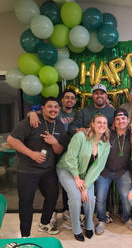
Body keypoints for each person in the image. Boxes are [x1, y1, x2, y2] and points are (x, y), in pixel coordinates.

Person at [7, 97, 66, 237]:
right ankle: (25, 235)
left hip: (48, 170)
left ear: (59, 109)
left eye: (56, 107)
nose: (53, 109)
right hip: (27, 170)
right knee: (26, 203)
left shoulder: (59, 125)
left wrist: (54, 142)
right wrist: (31, 154)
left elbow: (59, 150)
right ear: (43, 108)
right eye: (50, 106)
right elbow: (11, 140)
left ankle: (44, 223)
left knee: (52, 196)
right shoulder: (31, 121)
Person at [56, 114, 110, 242]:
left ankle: (89, 224)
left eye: (104, 123)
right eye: (99, 122)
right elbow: (70, 158)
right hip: (67, 169)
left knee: (90, 198)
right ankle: (76, 228)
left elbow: (97, 168)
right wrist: (76, 179)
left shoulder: (106, 145)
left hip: (86, 175)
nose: (102, 125)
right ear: (92, 124)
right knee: (76, 197)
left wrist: (84, 186)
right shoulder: (80, 136)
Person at [28, 89, 77, 228]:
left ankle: (66, 210)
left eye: (72, 98)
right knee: (51, 187)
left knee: (67, 185)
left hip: (67, 151)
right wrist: (31, 113)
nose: (70, 100)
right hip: (50, 153)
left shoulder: (77, 113)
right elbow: (37, 112)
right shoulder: (55, 111)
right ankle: (52, 212)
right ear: (61, 101)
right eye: (67, 97)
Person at [95, 108, 132, 235]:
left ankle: (127, 218)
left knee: (125, 197)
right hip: (105, 171)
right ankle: (101, 220)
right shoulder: (107, 134)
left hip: (122, 171)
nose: (121, 121)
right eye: (117, 119)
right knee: (101, 198)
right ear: (113, 121)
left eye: (123, 118)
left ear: (128, 120)